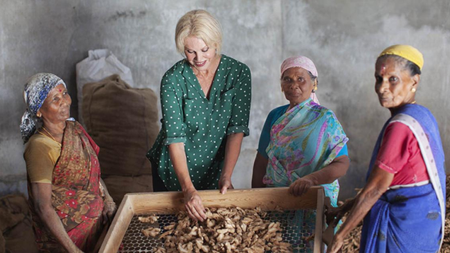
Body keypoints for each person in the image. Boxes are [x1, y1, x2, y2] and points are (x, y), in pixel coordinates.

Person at [327, 45, 446, 253]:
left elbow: (376, 188)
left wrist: (340, 235)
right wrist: (349, 206)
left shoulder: (401, 126)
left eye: (393, 80)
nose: (382, 88)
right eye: (378, 79)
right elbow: (397, 179)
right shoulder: (422, 114)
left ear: (414, 81)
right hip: (423, 223)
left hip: (403, 228)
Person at [147, 10, 251, 222]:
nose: (199, 58)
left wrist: (226, 175)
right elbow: (175, 138)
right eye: (190, 51)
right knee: (172, 235)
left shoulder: (238, 73)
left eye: (205, 50)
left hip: (214, 168)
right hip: (173, 171)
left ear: (216, 43)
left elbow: (236, 129)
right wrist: (187, 189)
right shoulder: (173, 80)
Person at [252, 56, 350, 240]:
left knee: (310, 245)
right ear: (281, 85)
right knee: (277, 245)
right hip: (278, 202)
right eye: (287, 79)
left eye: (300, 79)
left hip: (313, 202)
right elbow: (261, 161)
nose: (293, 84)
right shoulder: (275, 116)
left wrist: (311, 180)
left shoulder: (325, 118)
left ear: (314, 83)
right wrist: (256, 202)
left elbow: (342, 163)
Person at [21, 73, 116, 253]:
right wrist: (73, 250)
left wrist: (108, 199)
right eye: (55, 99)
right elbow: (43, 206)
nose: (65, 101)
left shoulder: (75, 129)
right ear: (39, 111)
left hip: (97, 226)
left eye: (64, 93)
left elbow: (93, 174)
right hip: (65, 240)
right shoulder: (39, 147)